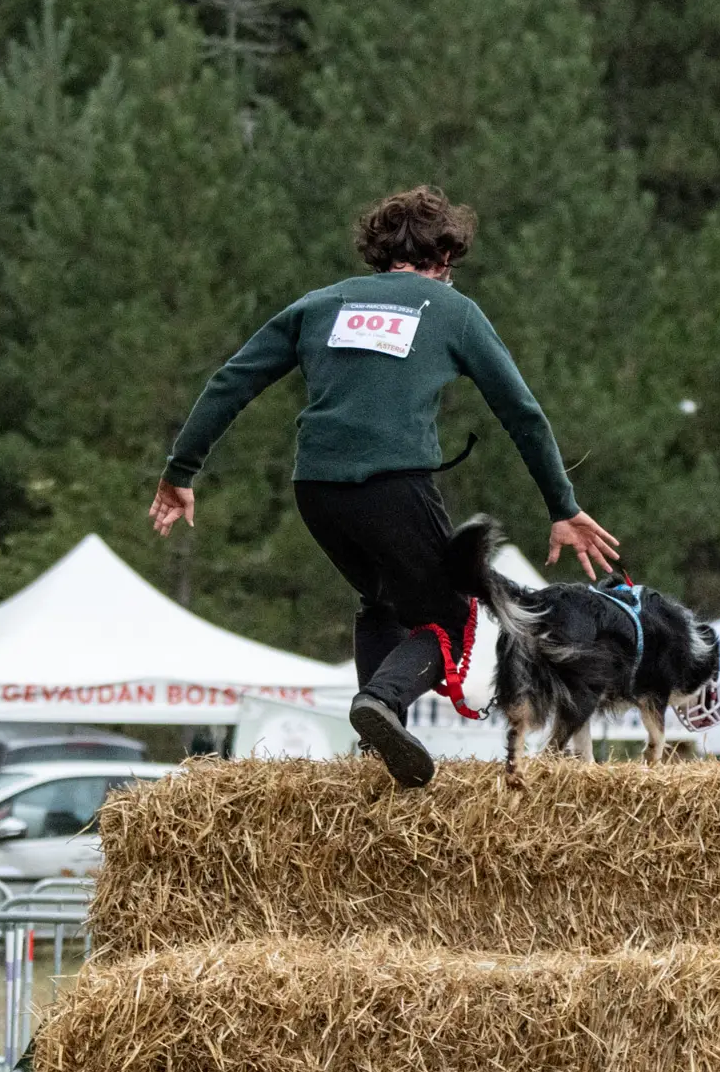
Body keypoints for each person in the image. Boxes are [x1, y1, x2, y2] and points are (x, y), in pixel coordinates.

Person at [149, 186, 619, 787]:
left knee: (382, 599)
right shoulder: (453, 311)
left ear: (377, 251)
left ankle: (380, 747)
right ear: (445, 257)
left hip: (316, 490)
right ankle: (384, 704)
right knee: (451, 616)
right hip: (392, 488)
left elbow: (230, 382)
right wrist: (562, 506)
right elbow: (521, 413)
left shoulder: (321, 304)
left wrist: (180, 472)